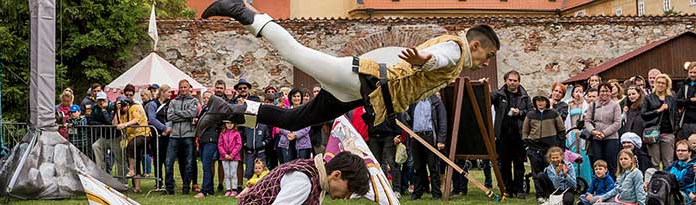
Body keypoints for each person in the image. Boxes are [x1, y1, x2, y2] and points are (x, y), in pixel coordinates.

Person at [197, 0, 499, 135]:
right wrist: (424, 60)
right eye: (489, 54)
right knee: (293, 52)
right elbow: (438, 56)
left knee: (295, 121)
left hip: (360, 93)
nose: (487, 61)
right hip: (362, 79)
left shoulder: (457, 53)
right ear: (475, 45)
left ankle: (229, 110)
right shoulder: (455, 50)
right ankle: (238, 9)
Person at [236, 151, 371, 204]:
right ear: (336, 175)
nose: (347, 197)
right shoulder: (303, 182)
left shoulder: (315, 175)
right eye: (349, 190)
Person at [491, 70, 532, 199]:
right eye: (510, 80)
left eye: (515, 80)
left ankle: (519, 189)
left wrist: (519, 112)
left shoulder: (525, 97)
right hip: (503, 135)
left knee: (519, 164)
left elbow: (530, 113)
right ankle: (508, 189)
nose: (513, 83)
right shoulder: (499, 95)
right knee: (504, 164)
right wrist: (484, 86)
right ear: (505, 81)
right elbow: (487, 99)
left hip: (519, 135)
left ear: (519, 82)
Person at [523, 95, 566, 203]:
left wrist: (560, 147)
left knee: (550, 172)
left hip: (550, 149)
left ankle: (550, 193)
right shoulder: (530, 114)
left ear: (546, 102)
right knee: (536, 173)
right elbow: (525, 131)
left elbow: (561, 130)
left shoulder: (554, 113)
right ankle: (539, 194)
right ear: (535, 102)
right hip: (534, 148)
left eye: (542, 100)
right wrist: (527, 146)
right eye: (538, 101)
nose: (540, 103)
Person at [403, 93, 447, 199]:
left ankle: (436, 193)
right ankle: (417, 192)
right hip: (416, 137)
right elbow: (407, 118)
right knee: (418, 167)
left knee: (433, 167)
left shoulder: (436, 102)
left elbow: (443, 121)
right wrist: (409, 130)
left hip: (430, 136)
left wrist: (441, 140)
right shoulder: (413, 101)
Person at [166, 79, 199, 195]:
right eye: (181, 87)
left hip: (188, 135)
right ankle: (169, 188)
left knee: (189, 162)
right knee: (169, 162)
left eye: (185, 87)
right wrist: (185, 115)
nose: (183, 89)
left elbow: (193, 113)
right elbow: (169, 116)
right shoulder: (173, 102)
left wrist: (177, 113)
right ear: (178, 88)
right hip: (174, 136)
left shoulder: (194, 101)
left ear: (189, 88)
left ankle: (186, 188)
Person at [113, 96, 150, 193]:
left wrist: (125, 125)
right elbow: (115, 124)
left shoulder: (135, 107)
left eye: (123, 106)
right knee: (135, 157)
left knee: (131, 146)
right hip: (131, 137)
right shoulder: (121, 113)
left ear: (128, 104)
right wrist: (117, 111)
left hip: (143, 134)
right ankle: (137, 187)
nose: (122, 109)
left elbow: (136, 120)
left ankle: (131, 169)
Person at [584, 82, 622, 174]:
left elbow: (617, 123)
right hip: (596, 138)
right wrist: (593, 131)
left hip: (611, 138)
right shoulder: (593, 105)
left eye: (607, 91)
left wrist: (604, 133)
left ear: (610, 92)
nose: (604, 93)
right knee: (597, 163)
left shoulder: (615, 105)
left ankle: (612, 184)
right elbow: (587, 121)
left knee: (611, 163)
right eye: (602, 91)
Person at [642, 74, 677, 168]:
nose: (660, 85)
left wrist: (675, 130)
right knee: (654, 162)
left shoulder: (671, 99)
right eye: (658, 82)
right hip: (652, 133)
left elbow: (676, 115)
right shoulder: (648, 98)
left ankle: (668, 181)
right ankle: (656, 181)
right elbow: (643, 114)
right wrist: (658, 110)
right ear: (655, 83)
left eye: (663, 83)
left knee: (668, 162)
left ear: (666, 85)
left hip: (668, 133)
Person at [89, 92, 123, 178]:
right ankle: (102, 176)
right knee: (95, 146)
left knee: (119, 158)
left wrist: (104, 110)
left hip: (115, 137)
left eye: (103, 100)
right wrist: (101, 124)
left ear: (107, 99)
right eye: (99, 100)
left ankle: (122, 180)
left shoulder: (112, 107)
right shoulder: (95, 108)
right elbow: (90, 121)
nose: (101, 102)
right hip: (104, 136)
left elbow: (109, 122)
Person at [195, 90, 222, 198]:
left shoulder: (215, 110)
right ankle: (209, 189)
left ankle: (204, 190)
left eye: (208, 98)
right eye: (204, 98)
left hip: (211, 139)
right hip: (203, 139)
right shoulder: (204, 109)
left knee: (207, 165)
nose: (206, 100)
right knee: (206, 165)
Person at [146, 85, 172, 189]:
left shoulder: (170, 104)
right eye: (168, 92)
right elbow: (152, 119)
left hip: (168, 135)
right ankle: (158, 182)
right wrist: (163, 128)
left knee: (168, 160)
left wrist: (168, 129)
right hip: (157, 135)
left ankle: (169, 182)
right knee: (158, 159)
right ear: (162, 92)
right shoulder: (153, 104)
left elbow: (171, 117)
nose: (170, 94)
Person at [565, 84, 592, 185]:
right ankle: (573, 179)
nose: (578, 94)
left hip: (582, 132)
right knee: (571, 155)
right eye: (576, 91)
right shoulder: (569, 105)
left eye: (580, 91)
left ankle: (585, 180)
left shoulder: (586, 105)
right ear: (573, 93)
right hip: (571, 132)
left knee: (583, 155)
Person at [278, 88, 312, 160]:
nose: (296, 98)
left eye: (298, 96)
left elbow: (307, 127)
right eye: (294, 96)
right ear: (291, 97)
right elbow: (280, 126)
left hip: (302, 143)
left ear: (301, 98)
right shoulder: (285, 110)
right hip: (287, 141)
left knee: (301, 167)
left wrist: (295, 135)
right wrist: (288, 133)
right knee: (288, 167)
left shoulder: (305, 111)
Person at [218, 120, 242, 197]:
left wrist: (232, 154)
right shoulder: (222, 134)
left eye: (231, 123)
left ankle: (234, 189)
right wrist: (225, 154)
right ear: (225, 124)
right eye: (228, 123)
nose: (229, 125)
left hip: (234, 157)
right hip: (224, 157)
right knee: (227, 173)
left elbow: (239, 144)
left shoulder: (236, 133)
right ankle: (228, 189)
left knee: (233, 173)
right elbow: (220, 145)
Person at [677, 61, 696, 138]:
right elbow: (677, 101)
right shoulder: (684, 85)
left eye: (695, 72)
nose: (692, 74)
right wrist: (690, 100)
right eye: (691, 72)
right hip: (686, 121)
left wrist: (685, 101)